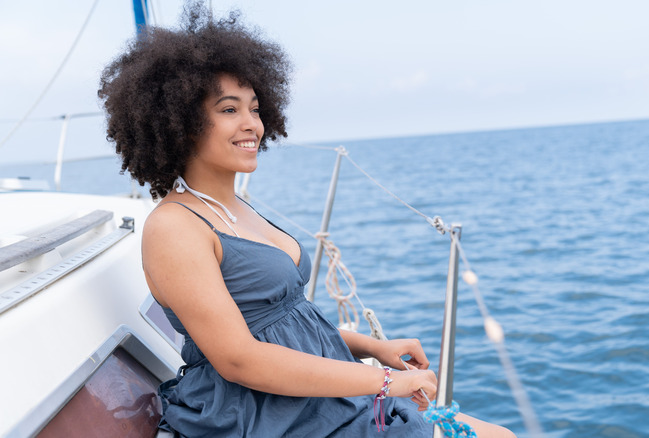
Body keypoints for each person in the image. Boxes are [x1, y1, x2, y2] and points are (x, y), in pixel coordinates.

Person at [99, 3, 515, 437]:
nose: (252, 125)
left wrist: (373, 347)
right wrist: (387, 382)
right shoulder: (175, 228)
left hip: (315, 400)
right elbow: (240, 358)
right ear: (181, 123)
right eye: (229, 110)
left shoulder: (235, 207)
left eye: (255, 109)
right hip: (262, 415)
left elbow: (289, 324)